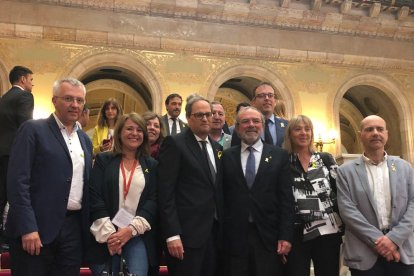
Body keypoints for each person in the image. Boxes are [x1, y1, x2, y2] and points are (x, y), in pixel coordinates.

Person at [6, 78, 93, 275]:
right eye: (68, 98)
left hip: (73, 229)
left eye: (80, 100)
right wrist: (27, 227)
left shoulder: (85, 140)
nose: (75, 105)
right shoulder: (33, 130)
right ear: (54, 101)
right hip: (36, 226)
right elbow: (17, 182)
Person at [337, 115, 414, 276]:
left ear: (387, 134)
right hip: (364, 252)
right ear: (360, 135)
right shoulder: (345, 172)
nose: (375, 133)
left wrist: (393, 239)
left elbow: (413, 205)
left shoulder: (405, 167)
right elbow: (348, 212)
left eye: (380, 129)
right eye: (369, 129)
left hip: (402, 249)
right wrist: (381, 243)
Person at [222, 106, 295, 276]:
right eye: (245, 121)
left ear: (262, 125)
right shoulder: (226, 156)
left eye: (256, 121)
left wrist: (286, 235)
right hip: (234, 238)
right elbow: (222, 196)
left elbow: (286, 200)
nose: (251, 125)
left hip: (269, 237)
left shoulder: (279, 155)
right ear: (238, 127)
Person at [158, 95, 223, 276]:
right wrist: (172, 234)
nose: (205, 119)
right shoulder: (175, 144)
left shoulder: (217, 148)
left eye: (208, 114)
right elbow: (165, 192)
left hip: (214, 234)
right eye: (199, 115)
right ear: (188, 118)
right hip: (185, 236)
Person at [88, 113, 158, 276]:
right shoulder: (103, 160)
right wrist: (112, 236)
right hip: (104, 234)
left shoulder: (152, 165)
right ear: (119, 132)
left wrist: (130, 230)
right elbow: (94, 196)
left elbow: (153, 200)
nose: (135, 133)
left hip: (136, 234)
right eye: (129, 129)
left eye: (139, 130)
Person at [283, 115, 344, 276]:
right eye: (298, 129)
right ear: (290, 134)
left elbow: (340, 191)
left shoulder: (325, 159)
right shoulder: (283, 162)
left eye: (307, 129)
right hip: (296, 233)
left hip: (328, 231)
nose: (303, 133)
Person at [0, 66, 34, 245]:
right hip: (14, 155)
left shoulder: (3, 98)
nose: (32, 84)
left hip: (1, 153)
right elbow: (26, 127)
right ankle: (13, 237)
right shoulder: (25, 97)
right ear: (22, 79)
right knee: (17, 195)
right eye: (30, 80)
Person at [231, 82, 288, 147]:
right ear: (253, 102)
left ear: (275, 101)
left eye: (270, 95)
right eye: (261, 95)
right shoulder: (243, 126)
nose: (267, 98)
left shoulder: (287, 126)